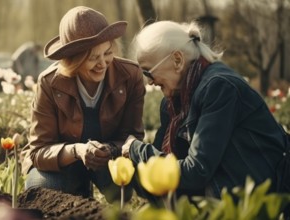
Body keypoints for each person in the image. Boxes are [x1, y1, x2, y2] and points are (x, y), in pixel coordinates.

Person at [122, 20, 290, 201]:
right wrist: (121, 156)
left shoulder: (219, 87)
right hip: (225, 193)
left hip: (264, 197)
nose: (150, 82)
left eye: (148, 72)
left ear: (177, 60)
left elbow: (196, 171)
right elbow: (158, 168)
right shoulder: (173, 103)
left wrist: (137, 151)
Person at [20, 6, 145, 202]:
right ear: (73, 60)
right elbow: (38, 151)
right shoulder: (50, 83)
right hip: (64, 163)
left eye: (108, 53)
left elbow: (133, 136)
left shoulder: (130, 75)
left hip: (108, 161)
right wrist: (77, 151)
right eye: (93, 58)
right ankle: (78, 190)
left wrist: (110, 150)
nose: (103, 63)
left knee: (123, 188)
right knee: (40, 187)